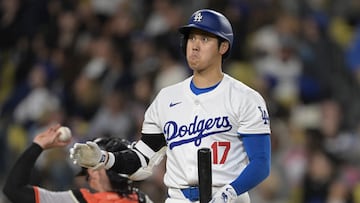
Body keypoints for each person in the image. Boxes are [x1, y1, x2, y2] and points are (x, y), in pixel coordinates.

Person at [70, 9, 271, 203]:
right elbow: (142, 159)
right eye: (191, 38)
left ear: (223, 47)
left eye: (205, 39)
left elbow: (261, 163)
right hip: (178, 198)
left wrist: (230, 192)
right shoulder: (166, 98)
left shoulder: (245, 98)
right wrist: (105, 158)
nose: (195, 45)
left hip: (228, 197)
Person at [2, 124, 152, 203]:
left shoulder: (141, 199)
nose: (90, 172)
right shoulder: (77, 199)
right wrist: (37, 146)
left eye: (95, 165)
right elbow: (14, 190)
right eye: (89, 166)